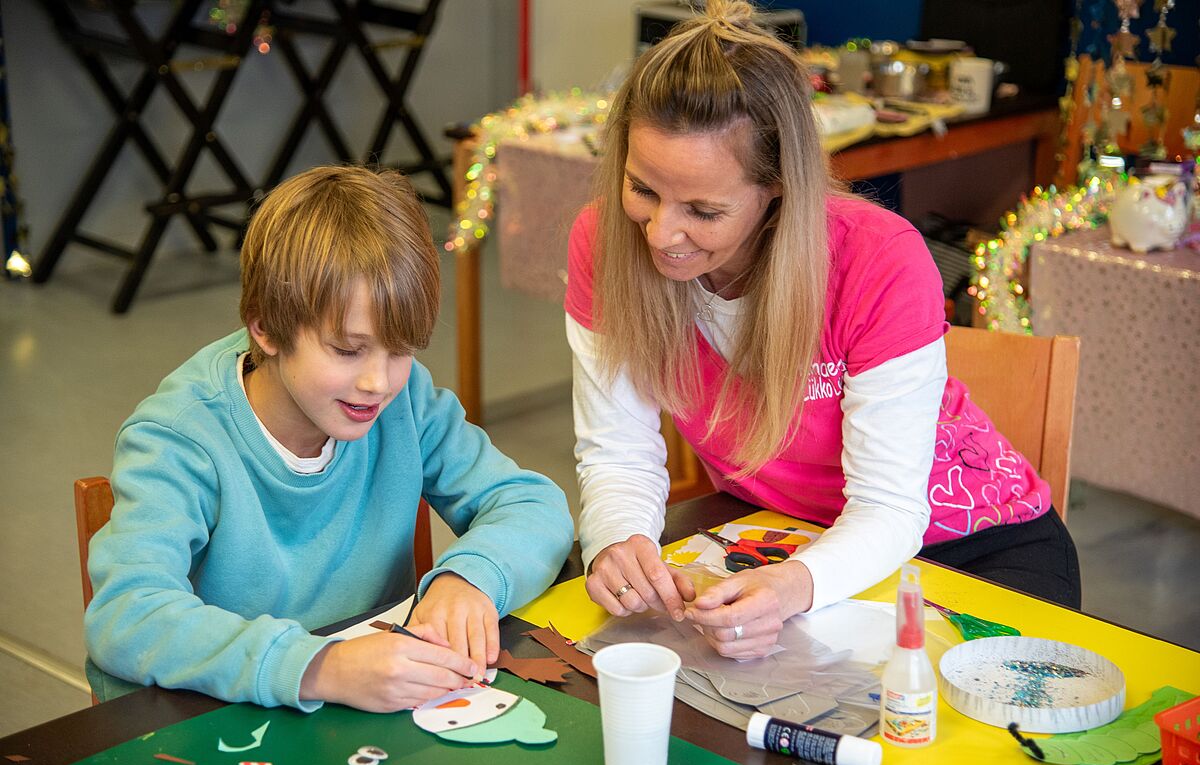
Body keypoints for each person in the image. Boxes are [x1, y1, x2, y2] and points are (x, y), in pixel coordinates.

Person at [566, 0, 1080, 660]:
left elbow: (889, 511)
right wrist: (619, 540)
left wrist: (791, 589)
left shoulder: (877, 260)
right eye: (642, 189)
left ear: (777, 189)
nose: (661, 234)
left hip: (976, 552)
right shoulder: (605, 242)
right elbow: (617, 451)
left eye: (703, 209)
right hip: (778, 536)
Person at [84, 166, 574, 712]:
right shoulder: (180, 439)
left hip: (375, 716)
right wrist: (319, 666)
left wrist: (469, 578)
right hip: (240, 724)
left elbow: (532, 503)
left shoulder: (404, 401)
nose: (378, 382)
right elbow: (127, 616)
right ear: (265, 328)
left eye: (401, 349)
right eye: (347, 350)